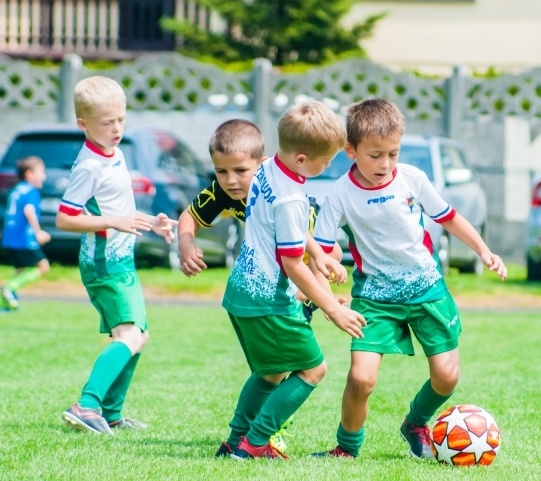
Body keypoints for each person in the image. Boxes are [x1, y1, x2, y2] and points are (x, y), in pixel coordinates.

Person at [312, 98, 507, 459]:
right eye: (375, 155)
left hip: (427, 291)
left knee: (447, 378)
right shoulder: (339, 193)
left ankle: (415, 422)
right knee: (361, 379)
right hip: (375, 299)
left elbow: (449, 217)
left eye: (393, 154)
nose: (385, 164)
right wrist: (326, 295)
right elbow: (320, 251)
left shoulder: (413, 178)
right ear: (350, 150)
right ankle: (347, 448)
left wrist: (484, 251)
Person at [175, 118, 345, 455]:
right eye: (222, 172)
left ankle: (242, 438)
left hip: (285, 284)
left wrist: (321, 276)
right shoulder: (273, 188)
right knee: (304, 369)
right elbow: (190, 217)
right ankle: (257, 440)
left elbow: (309, 244)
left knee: (277, 369)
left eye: (239, 170)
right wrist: (185, 245)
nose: (230, 180)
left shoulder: (275, 181)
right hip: (277, 288)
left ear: (263, 159)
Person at [211, 103, 365, 460]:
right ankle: (255, 442)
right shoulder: (293, 198)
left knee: (271, 370)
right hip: (269, 300)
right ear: (300, 158)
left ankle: (235, 441)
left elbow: (286, 230)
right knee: (313, 369)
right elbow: (293, 265)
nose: (327, 167)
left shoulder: (266, 169)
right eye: (324, 162)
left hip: (241, 292)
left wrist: (320, 253)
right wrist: (332, 308)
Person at [55, 75, 177, 434]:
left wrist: (151, 223)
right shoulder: (89, 165)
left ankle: (110, 413)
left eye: (121, 120)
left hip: (121, 260)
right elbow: (65, 218)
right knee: (130, 336)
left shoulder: (117, 154)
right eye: (107, 123)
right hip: (103, 263)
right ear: (83, 125)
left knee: (139, 335)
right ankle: (86, 405)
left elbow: (120, 209)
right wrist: (114, 220)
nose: (116, 128)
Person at [1, 156, 50, 310]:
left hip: (9, 238)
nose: (44, 176)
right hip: (24, 239)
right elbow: (28, 211)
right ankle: (8, 289)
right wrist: (38, 232)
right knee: (43, 266)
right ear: (30, 174)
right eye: (41, 172)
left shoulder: (15, 190)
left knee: (20, 270)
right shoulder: (31, 191)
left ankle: (9, 304)